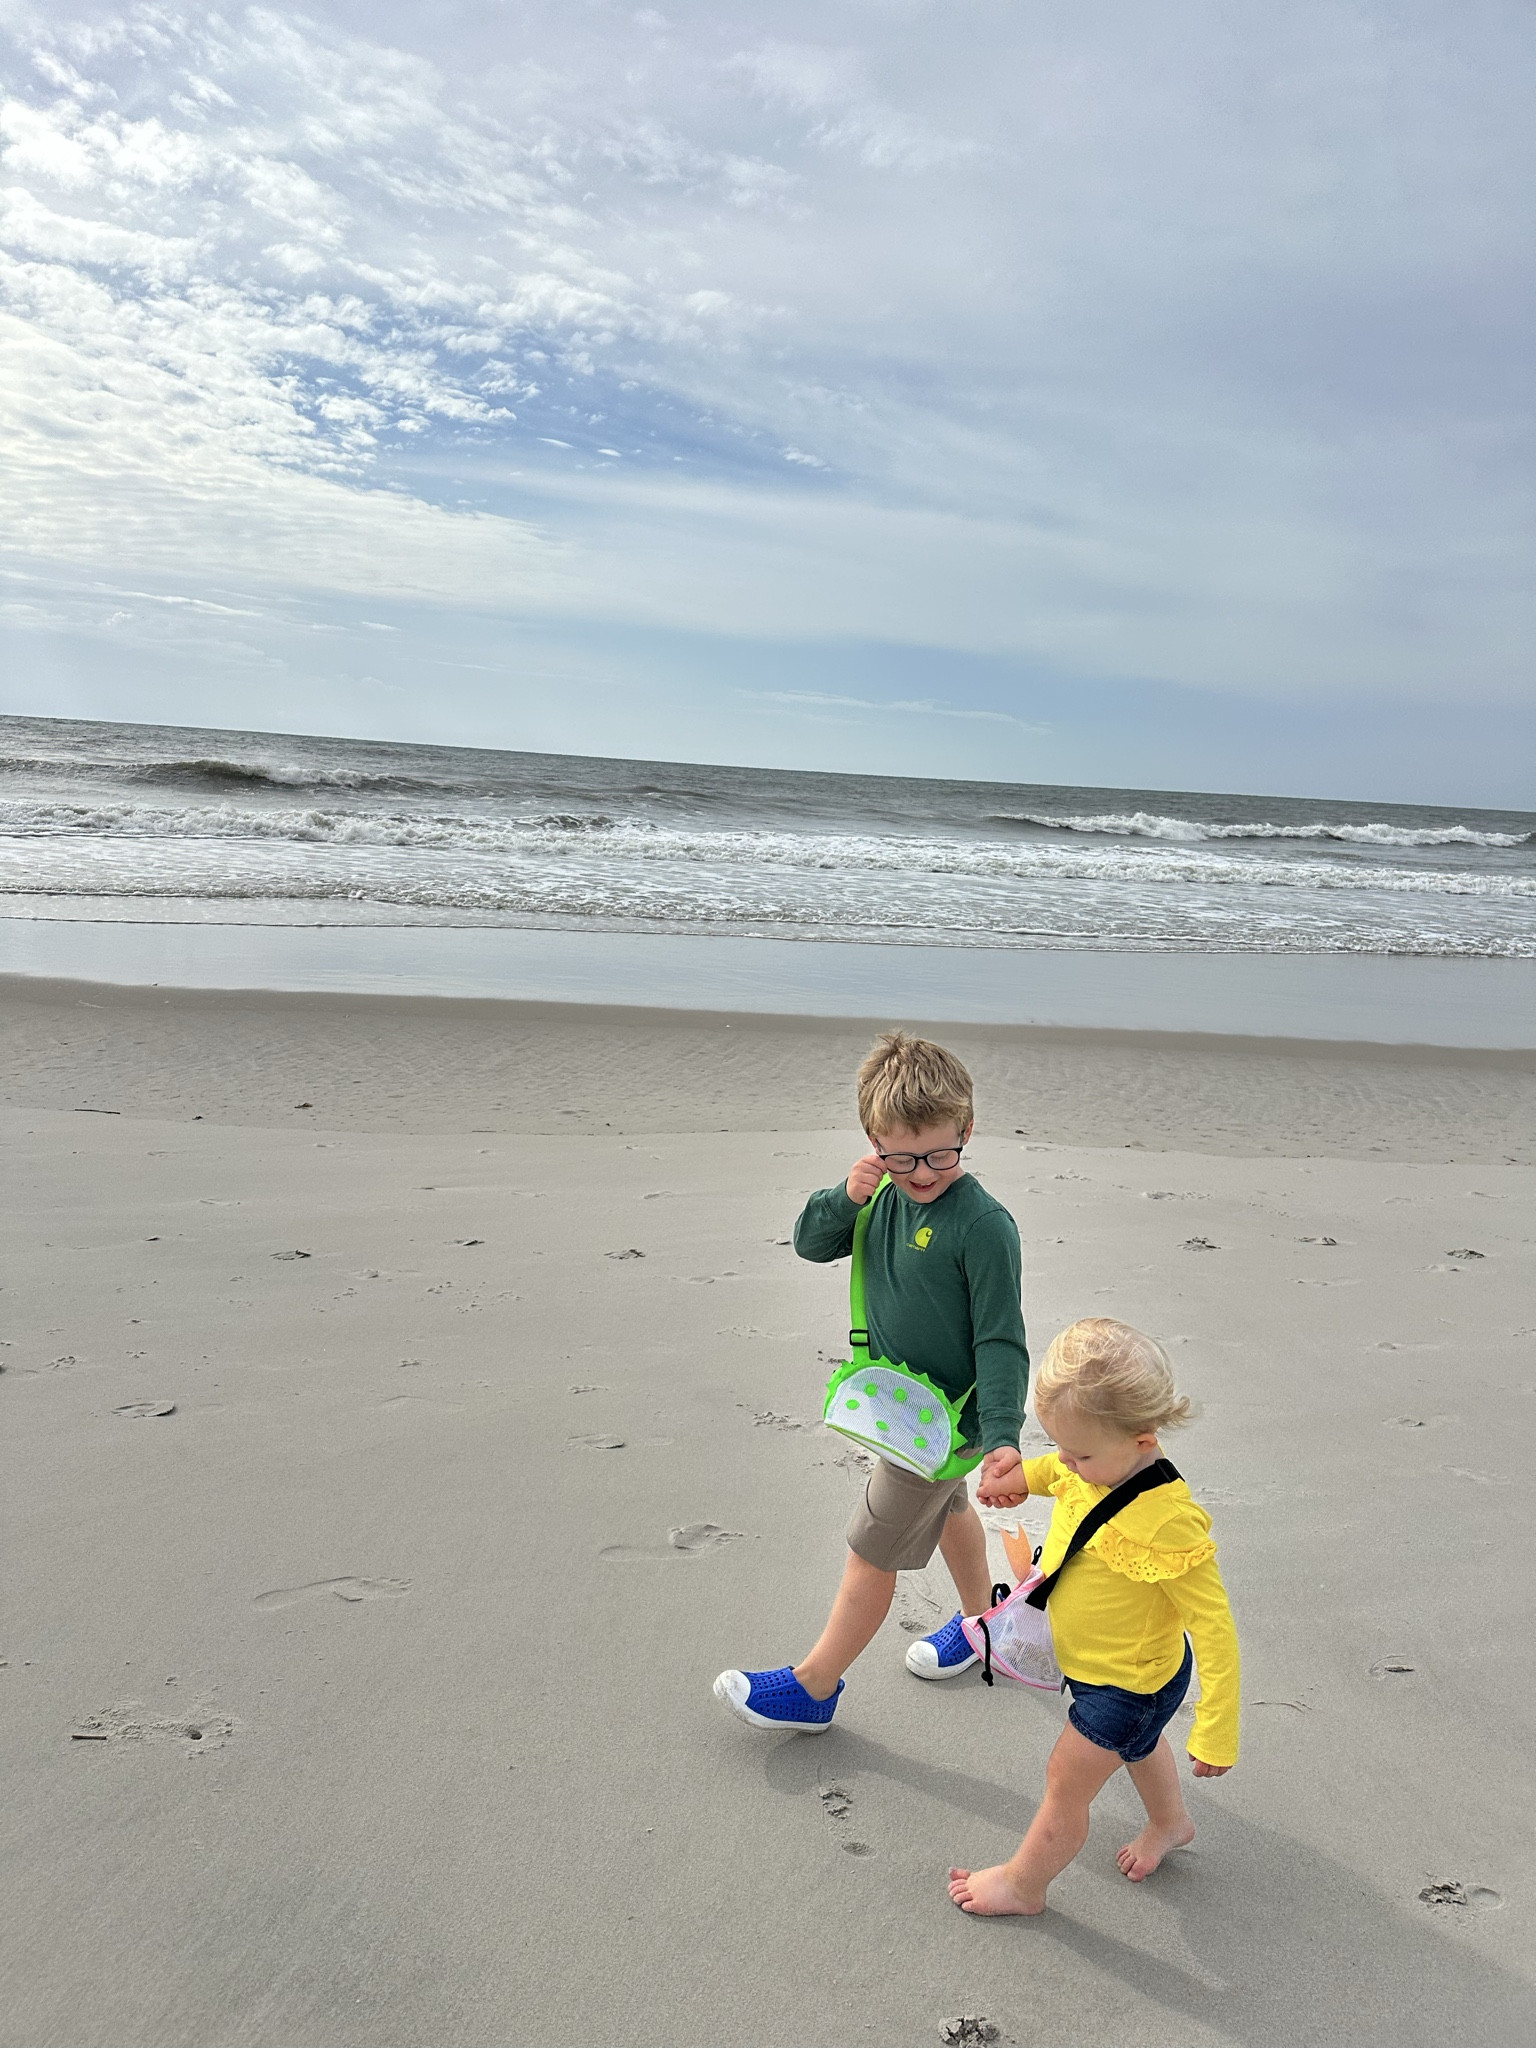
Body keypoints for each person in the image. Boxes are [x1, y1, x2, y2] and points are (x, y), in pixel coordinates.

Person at [713, 1031, 1029, 1731]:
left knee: (870, 1549)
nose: (921, 1173)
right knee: (949, 1515)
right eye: (901, 1156)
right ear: (872, 1140)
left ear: (968, 1130)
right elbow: (811, 1243)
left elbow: (1000, 1338)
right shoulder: (876, 1193)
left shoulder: (982, 1225)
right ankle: (987, 1627)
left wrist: (1004, 1436)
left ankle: (814, 1686)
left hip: (948, 1428)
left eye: (941, 1154)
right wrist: (842, 1198)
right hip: (900, 1407)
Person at [947, 1317, 1240, 1916]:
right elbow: (1057, 1474)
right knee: (1140, 1746)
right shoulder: (1091, 1462)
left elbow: (1215, 1628)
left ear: (1141, 1438)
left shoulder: (1168, 1522)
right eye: (1059, 1445)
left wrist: (1216, 1726)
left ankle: (1023, 1885)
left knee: (1065, 1783)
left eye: (1080, 1453)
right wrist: (1019, 1478)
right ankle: (1170, 1822)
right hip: (1107, 1669)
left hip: (1128, 1684)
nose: (1068, 1464)